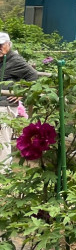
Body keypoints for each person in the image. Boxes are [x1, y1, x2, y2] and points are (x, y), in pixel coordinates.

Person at [0, 32, 38, 170]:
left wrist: (22, 93)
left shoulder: (15, 60)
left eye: (1, 45)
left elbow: (33, 77)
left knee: (2, 138)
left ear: (8, 45)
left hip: (5, 105)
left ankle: (3, 171)